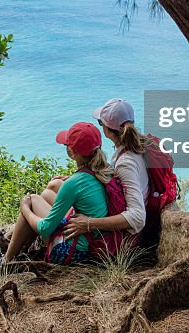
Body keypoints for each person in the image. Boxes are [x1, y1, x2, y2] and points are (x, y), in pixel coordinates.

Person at [0, 122, 112, 264]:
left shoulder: (74, 184)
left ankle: (5, 261)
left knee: (32, 200)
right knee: (46, 195)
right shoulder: (106, 170)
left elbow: (46, 229)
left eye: (67, 145)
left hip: (72, 251)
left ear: (72, 153)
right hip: (96, 242)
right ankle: (20, 248)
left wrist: (25, 209)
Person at [64, 99, 157, 250]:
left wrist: (89, 223)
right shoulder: (136, 147)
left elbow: (138, 217)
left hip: (121, 239)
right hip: (117, 211)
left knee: (53, 193)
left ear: (107, 130)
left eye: (101, 123)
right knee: (59, 186)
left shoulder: (126, 163)